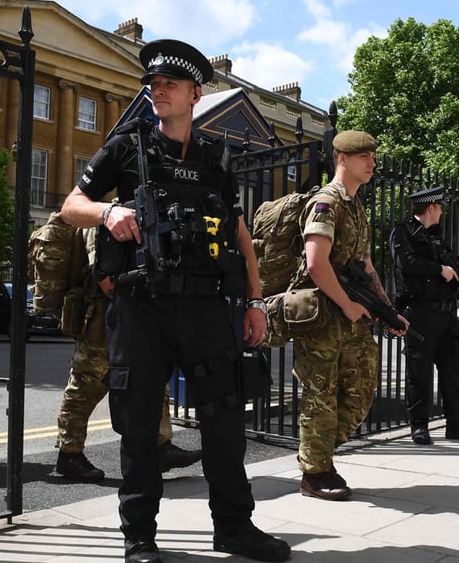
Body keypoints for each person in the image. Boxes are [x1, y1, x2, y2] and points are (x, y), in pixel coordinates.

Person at [60, 39, 289, 563]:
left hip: (206, 307)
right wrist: (106, 215)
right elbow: (74, 205)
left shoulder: (216, 159)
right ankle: (139, 537)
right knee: (139, 425)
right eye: (153, 84)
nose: (157, 91)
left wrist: (255, 301)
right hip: (142, 306)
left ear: (194, 93)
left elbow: (238, 232)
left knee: (225, 422)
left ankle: (234, 528)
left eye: (169, 85)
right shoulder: (127, 147)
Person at [290, 129, 407, 501]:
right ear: (342, 159)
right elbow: (315, 263)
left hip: (352, 315)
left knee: (360, 392)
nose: (372, 163)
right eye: (363, 157)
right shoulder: (327, 203)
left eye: (373, 156)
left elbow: (366, 266)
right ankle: (315, 471)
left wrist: (386, 308)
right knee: (321, 394)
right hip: (324, 317)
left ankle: (317, 453)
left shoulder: (356, 205)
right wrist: (347, 304)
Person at [54, 228, 202, 483]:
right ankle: (69, 454)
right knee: (85, 388)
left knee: (155, 380)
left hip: (135, 316)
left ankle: (161, 447)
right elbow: (106, 280)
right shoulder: (100, 222)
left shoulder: (136, 216)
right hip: (101, 321)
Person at [389, 186, 459, 445]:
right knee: (419, 372)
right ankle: (419, 427)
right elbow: (406, 264)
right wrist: (440, 270)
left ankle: (457, 424)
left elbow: (449, 270)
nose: (443, 211)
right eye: (441, 207)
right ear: (431, 207)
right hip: (420, 314)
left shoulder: (436, 237)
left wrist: (458, 288)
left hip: (446, 316)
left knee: (452, 371)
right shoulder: (403, 232)